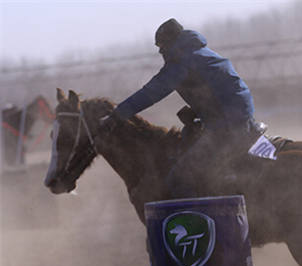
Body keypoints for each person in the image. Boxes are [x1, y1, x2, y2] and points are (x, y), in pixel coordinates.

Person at [100, 18, 262, 198]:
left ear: (170, 42)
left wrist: (118, 114)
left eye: (161, 45)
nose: (160, 51)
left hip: (225, 126)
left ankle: (203, 225)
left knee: (179, 180)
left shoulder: (181, 61)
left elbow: (152, 92)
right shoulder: (201, 53)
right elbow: (222, 89)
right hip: (242, 119)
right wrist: (198, 111)